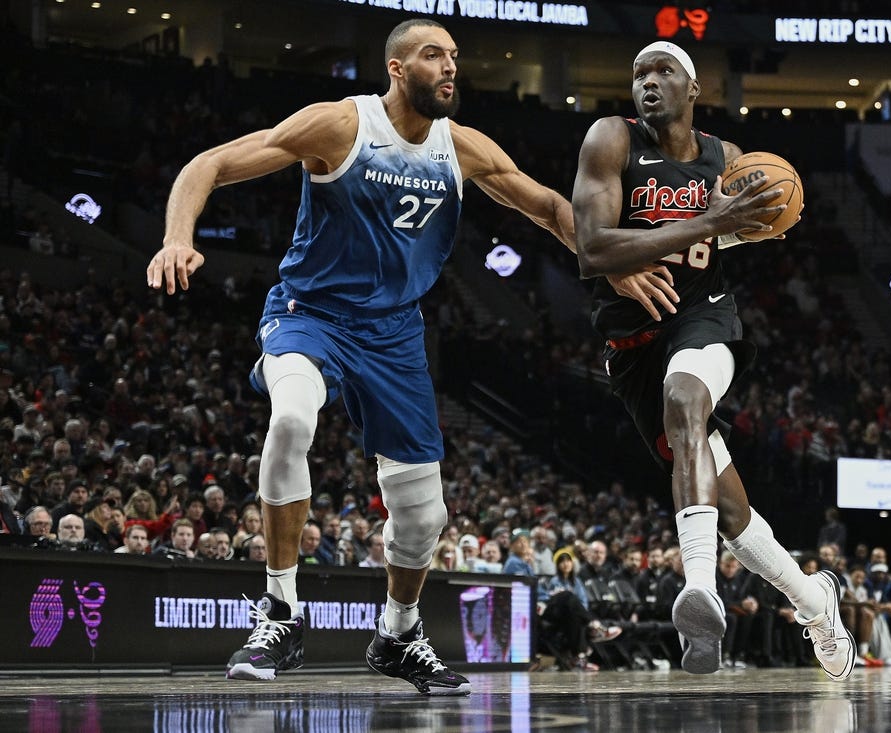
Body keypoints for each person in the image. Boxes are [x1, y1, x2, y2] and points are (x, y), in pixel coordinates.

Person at [145, 18, 664, 695]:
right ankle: (278, 610)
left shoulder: (464, 147)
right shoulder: (340, 125)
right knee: (293, 418)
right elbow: (206, 164)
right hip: (312, 313)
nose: (449, 67)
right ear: (396, 69)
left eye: (453, 57)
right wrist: (176, 238)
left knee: (425, 515)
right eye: (432, 56)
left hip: (394, 335)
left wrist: (609, 262)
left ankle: (398, 632)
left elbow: (546, 207)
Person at [571, 40, 854, 679]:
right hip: (632, 346)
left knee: (686, 396)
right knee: (731, 513)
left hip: (704, 319)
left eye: (663, 71)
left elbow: (760, 220)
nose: (647, 81)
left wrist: (741, 222)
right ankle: (815, 601)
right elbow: (592, 249)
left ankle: (698, 588)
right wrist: (706, 223)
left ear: (693, 89)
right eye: (638, 71)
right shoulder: (610, 139)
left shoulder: (725, 158)